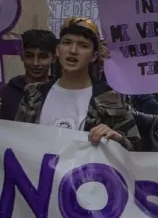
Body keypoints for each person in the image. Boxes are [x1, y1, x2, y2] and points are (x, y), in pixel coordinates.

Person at [15, 17, 140, 150]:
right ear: (57, 50)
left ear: (94, 56)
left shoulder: (112, 98)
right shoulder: (33, 94)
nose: (73, 50)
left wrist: (116, 138)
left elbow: (135, 148)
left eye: (83, 45)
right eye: (67, 42)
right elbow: (17, 140)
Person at [0, 29, 57, 120]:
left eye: (43, 57)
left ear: (53, 58)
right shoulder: (6, 93)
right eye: (29, 56)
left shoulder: (59, 93)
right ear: (22, 56)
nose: (35, 63)